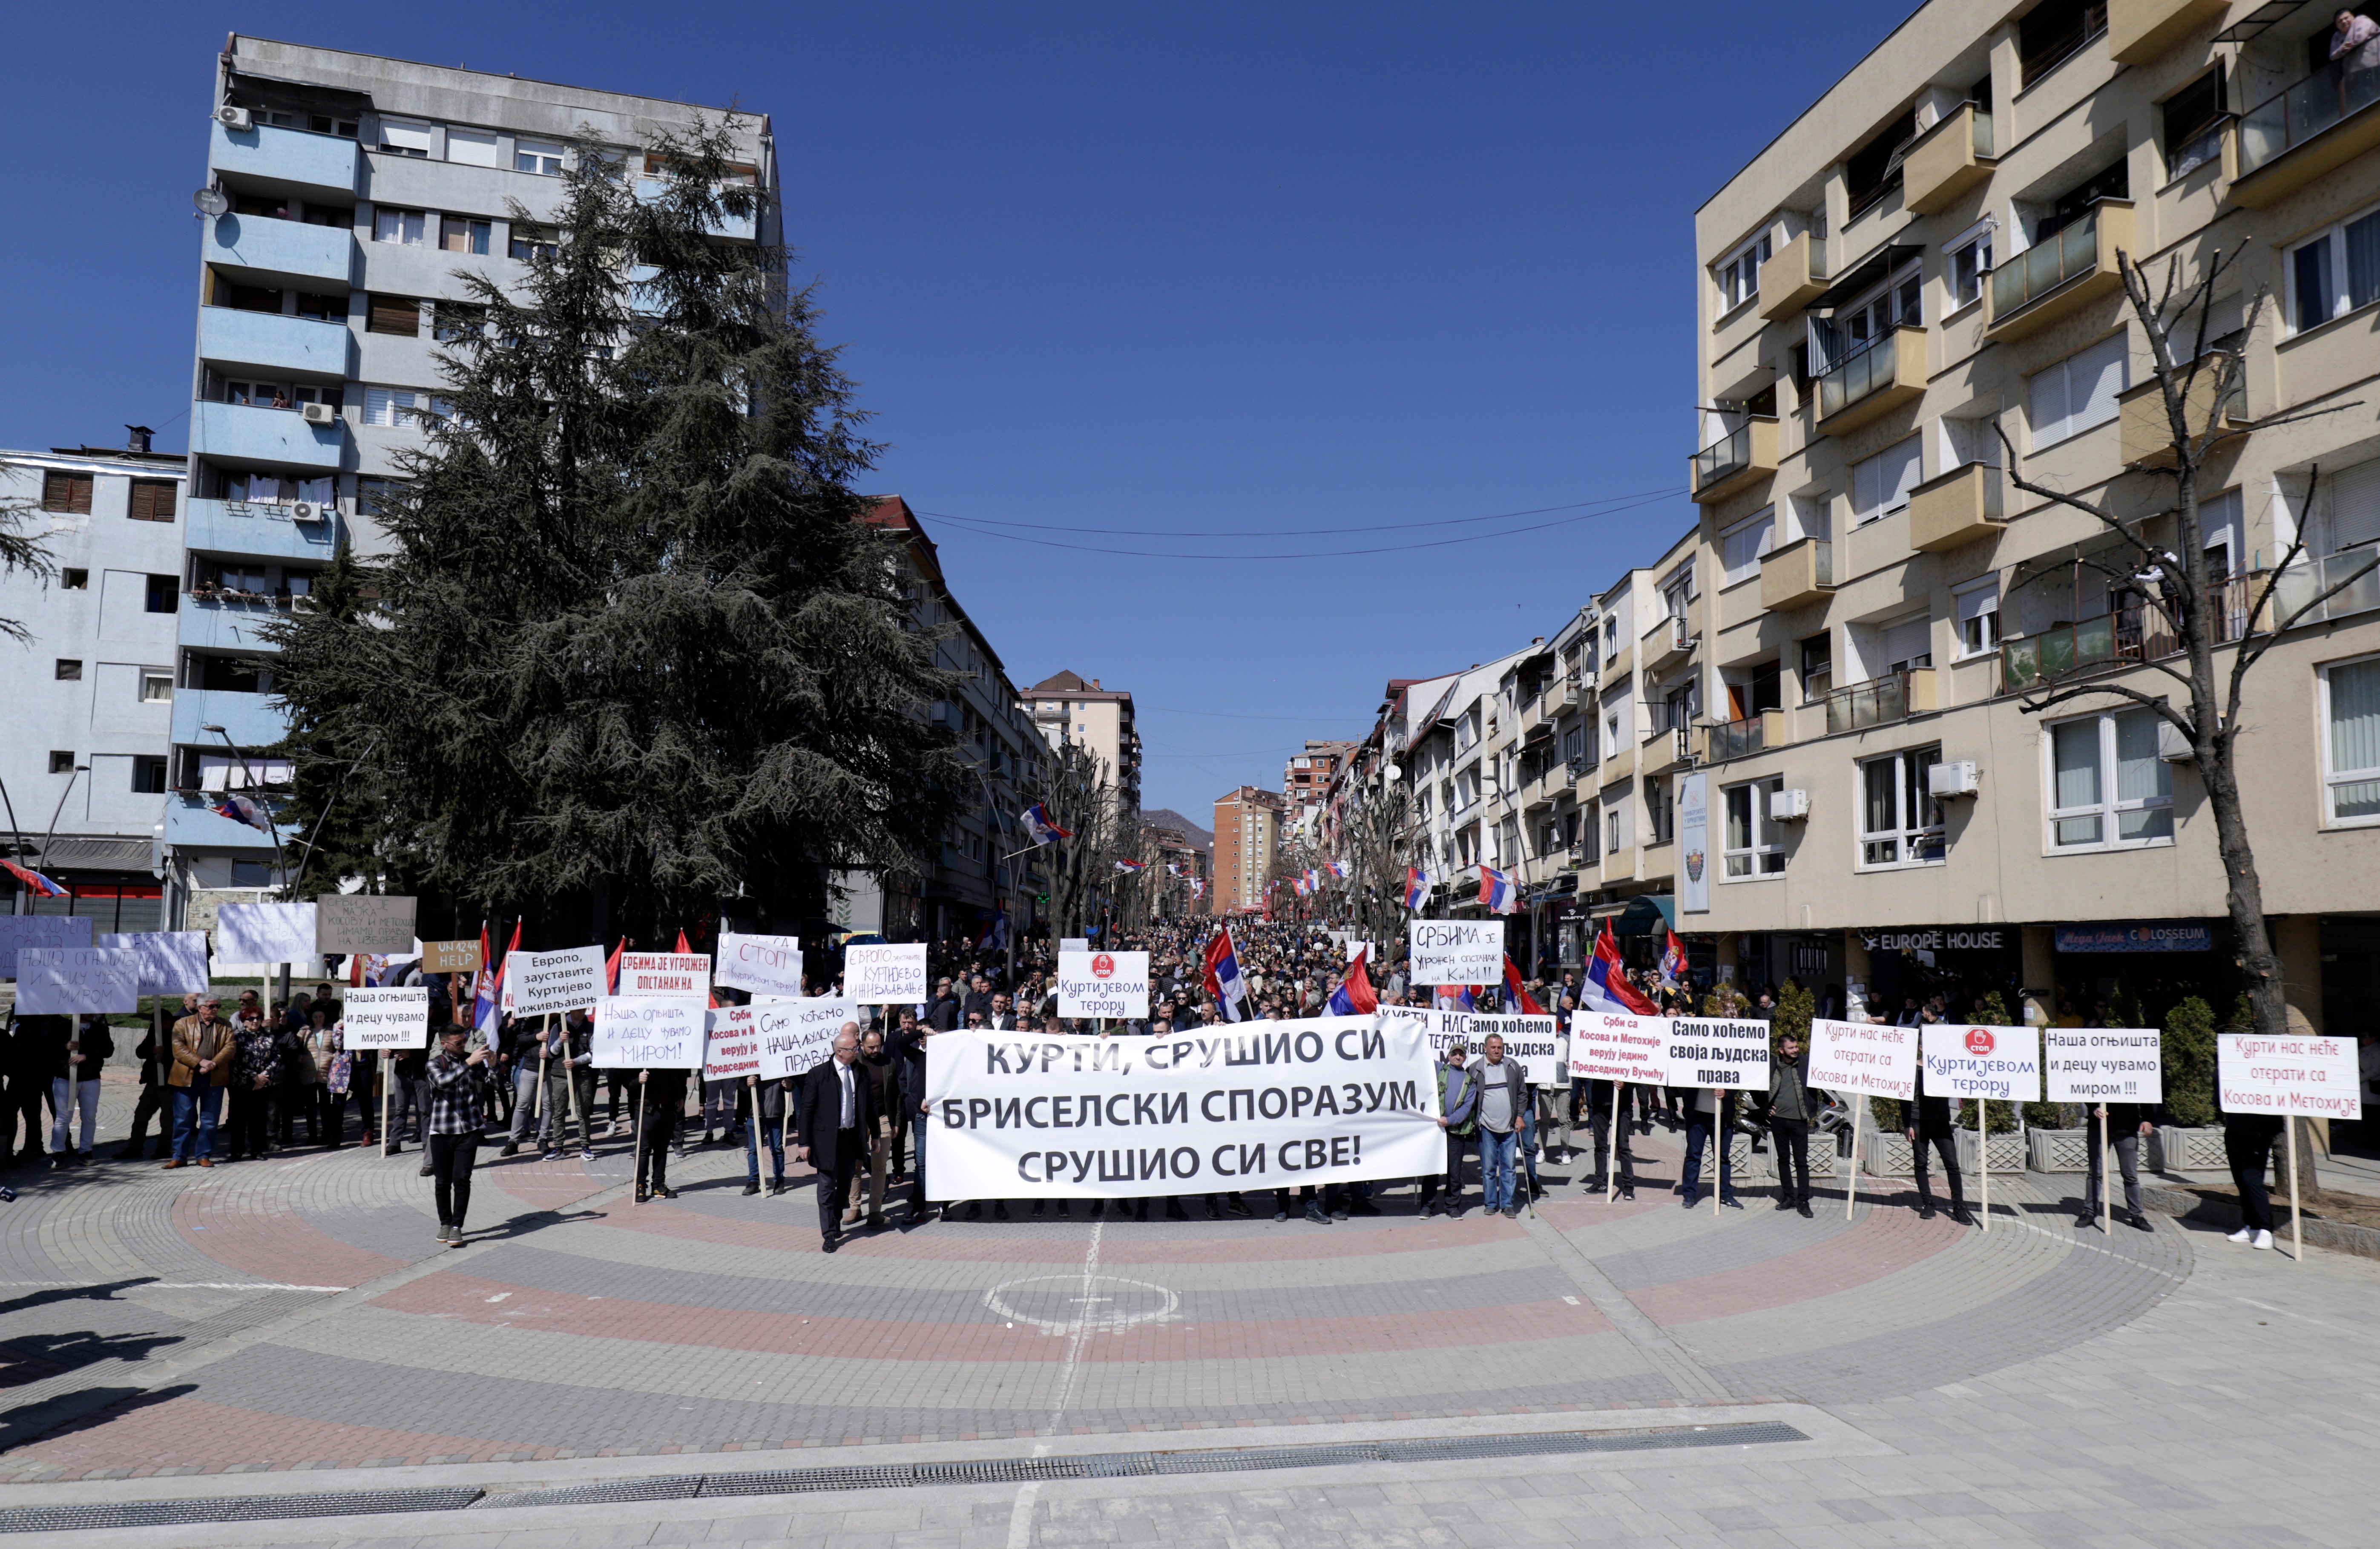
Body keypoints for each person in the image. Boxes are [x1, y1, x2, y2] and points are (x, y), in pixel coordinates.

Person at [795, 1025, 878, 1252]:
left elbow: (869, 1105)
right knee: (826, 1187)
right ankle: (829, 1234)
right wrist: (804, 1143)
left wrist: (876, 1135)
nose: (858, 1051)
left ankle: (836, 1218)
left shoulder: (860, 1071)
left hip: (850, 1138)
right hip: (826, 1140)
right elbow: (807, 1110)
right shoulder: (819, 1074)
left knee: (845, 1185)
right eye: (854, 1049)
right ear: (840, 1051)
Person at [423, 1023, 496, 1244]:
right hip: (442, 1131)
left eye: (465, 1041)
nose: (464, 1045)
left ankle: (457, 1226)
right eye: (459, 1043)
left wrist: (492, 1067)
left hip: (469, 1129)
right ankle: (445, 1223)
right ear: (445, 1044)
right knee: (442, 1181)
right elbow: (443, 1083)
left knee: (462, 1179)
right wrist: (468, 1063)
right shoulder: (434, 1064)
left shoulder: (470, 1060)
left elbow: (493, 1084)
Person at [167, 995, 234, 1167]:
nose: (215, 1010)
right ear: (200, 1007)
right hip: (186, 1078)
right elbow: (178, 1048)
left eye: (218, 1006)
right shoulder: (183, 1023)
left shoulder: (225, 1025)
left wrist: (213, 1064)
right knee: (183, 1120)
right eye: (211, 1006)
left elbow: (230, 1047)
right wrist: (200, 1062)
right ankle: (179, 1156)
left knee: (210, 1121)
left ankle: (203, 1155)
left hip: (214, 1079)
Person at [1904, 1062, 1975, 1226]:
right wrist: (1906, 1124)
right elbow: (1904, 1097)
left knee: (1952, 1164)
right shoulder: (1911, 1069)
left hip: (1941, 1120)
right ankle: (1928, 1204)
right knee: (1921, 1163)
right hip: (1918, 1120)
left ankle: (1959, 1207)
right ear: (1921, 1047)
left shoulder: (1943, 1065)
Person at [37, 1015, 111, 1166]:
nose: (91, 1014)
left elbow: (108, 1050)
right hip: (65, 1077)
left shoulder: (100, 1029)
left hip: (90, 1078)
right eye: (87, 1010)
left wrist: (87, 1056)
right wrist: (65, 1047)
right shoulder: (62, 1027)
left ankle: (86, 1152)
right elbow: (47, 1049)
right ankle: (58, 1153)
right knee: (64, 1117)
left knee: (89, 1116)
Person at [119, 1000, 184, 1160]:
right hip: (154, 1080)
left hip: (172, 1082)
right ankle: (135, 1147)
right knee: (141, 1114)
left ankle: (164, 1148)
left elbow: (185, 1054)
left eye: (163, 1024)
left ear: (169, 1022)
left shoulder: (181, 1031)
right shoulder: (155, 1031)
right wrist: (152, 1050)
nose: (160, 1026)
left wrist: (167, 1055)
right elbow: (140, 1052)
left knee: (168, 1118)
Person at [1419, 1045, 1480, 1218]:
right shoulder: (1439, 1069)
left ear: (1465, 1058)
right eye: (1455, 1053)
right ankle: (1427, 1207)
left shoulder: (1470, 1081)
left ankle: (1452, 1207)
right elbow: (1421, 1056)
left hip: (1456, 1131)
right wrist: (1419, 1028)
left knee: (1454, 1172)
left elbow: (1467, 1107)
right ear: (1449, 1056)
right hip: (1435, 1130)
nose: (1458, 1057)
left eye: (1461, 1054)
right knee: (1431, 1170)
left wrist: (1450, 1120)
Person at [1472, 1034, 1528, 1218]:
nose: (1497, 1050)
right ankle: (1490, 1203)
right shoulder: (1475, 1069)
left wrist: (1520, 1117)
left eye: (1500, 1047)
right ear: (1485, 1048)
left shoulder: (1512, 1066)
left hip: (1510, 1127)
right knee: (1488, 1168)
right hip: (1487, 1128)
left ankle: (1507, 1204)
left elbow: (1522, 1093)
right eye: (1493, 1047)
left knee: (1509, 1167)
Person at [1763, 1031, 1817, 1217]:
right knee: (1783, 1160)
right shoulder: (1772, 1065)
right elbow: (1757, 1086)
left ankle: (1803, 1201)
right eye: (1791, 1048)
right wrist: (1765, 1108)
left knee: (1801, 1162)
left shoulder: (1805, 1063)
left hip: (1799, 1121)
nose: (1796, 1050)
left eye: (1796, 1047)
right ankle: (1788, 1197)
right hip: (1778, 1121)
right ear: (1781, 1050)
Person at [845, 1026, 895, 1230]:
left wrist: (896, 1121)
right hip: (858, 1121)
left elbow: (896, 1093)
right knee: (855, 1166)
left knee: (879, 1167)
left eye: (878, 1046)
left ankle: (875, 1211)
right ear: (861, 1045)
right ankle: (854, 1208)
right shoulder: (854, 1065)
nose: (876, 1050)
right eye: (871, 1047)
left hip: (882, 1119)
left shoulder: (889, 1063)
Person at [2081, 1097, 2156, 1232]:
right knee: (2095, 1173)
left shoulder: (2135, 1074)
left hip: (2127, 1128)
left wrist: (2147, 1119)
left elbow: (2144, 1091)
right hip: (2098, 1127)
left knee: (2130, 1175)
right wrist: (2094, 1108)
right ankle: (2089, 1212)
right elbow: (2087, 1089)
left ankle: (2137, 1215)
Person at [225, 1006, 282, 1162]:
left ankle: (257, 1150)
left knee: (259, 1120)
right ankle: (236, 1152)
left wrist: (263, 1078)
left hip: (262, 1086)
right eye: (251, 1019)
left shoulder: (269, 1037)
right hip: (241, 1086)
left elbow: (276, 1057)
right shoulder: (237, 1038)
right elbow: (234, 1062)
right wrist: (254, 1077)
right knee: (239, 1121)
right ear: (244, 1022)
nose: (255, 1021)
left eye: (258, 1018)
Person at [2222, 1109, 2283, 1250]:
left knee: (2251, 1180)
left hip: (2259, 1128)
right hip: (2236, 1125)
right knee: (2241, 1180)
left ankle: (2266, 1229)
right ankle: (2252, 1226)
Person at [1680, 1085, 1743, 1210]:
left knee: (1722, 1158)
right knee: (1693, 1156)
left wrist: (1727, 1092)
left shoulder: (1728, 1065)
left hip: (1723, 1117)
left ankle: (1725, 1195)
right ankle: (1689, 1195)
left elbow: (1738, 1081)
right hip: (1697, 1117)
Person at [634, 1063, 690, 1202]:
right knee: (644, 1149)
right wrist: (637, 1081)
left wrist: (682, 1096)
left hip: (668, 1109)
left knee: (662, 1149)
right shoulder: (641, 1058)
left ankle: (658, 1185)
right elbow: (627, 1084)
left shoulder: (673, 1058)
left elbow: (681, 1077)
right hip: (647, 1110)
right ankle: (640, 1186)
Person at [740, 1070, 790, 1195]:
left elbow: (794, 1084)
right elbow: (740, 1083)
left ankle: (779, 1181)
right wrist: (746, 1083)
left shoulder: (781, 1062)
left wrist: (790, 1085)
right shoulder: (751, 1060)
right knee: (754, 1149)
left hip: (776, 1111)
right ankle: (753, 1181)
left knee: (777, 1149)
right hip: (755, 1112)